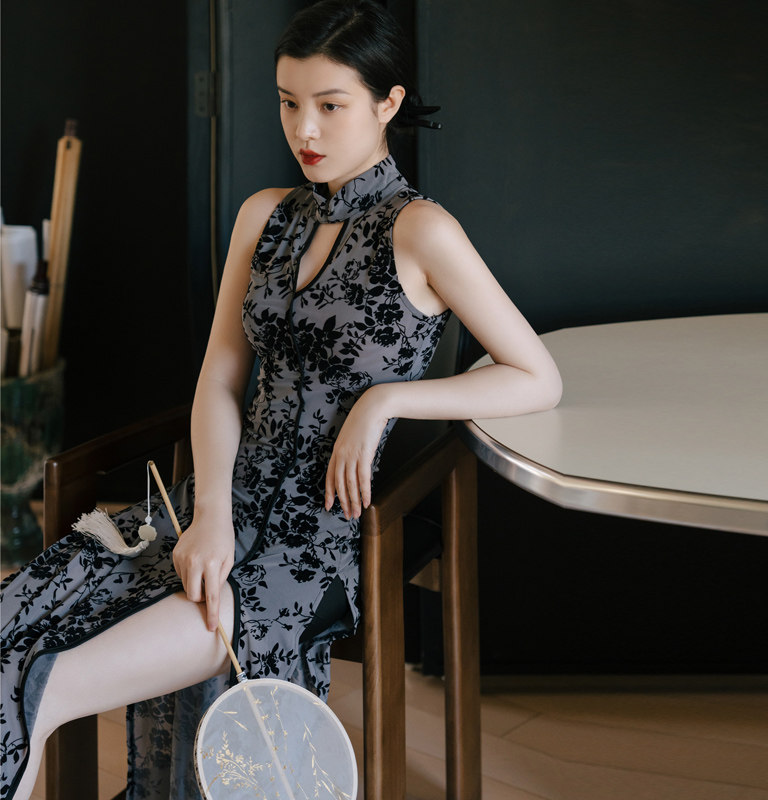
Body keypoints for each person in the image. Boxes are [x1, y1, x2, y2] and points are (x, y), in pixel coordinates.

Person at [0, 1, 562, 797]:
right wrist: (211, 515)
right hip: (221, 492)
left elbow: (537, 376)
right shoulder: (263, 216)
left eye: (331, 105)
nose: (305, 129)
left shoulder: (422, 230)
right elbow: (218, 381)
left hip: (328, 525)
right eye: (288, 102)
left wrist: (386, 401)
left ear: (389, 102)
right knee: (14, 637)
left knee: (45, 683)